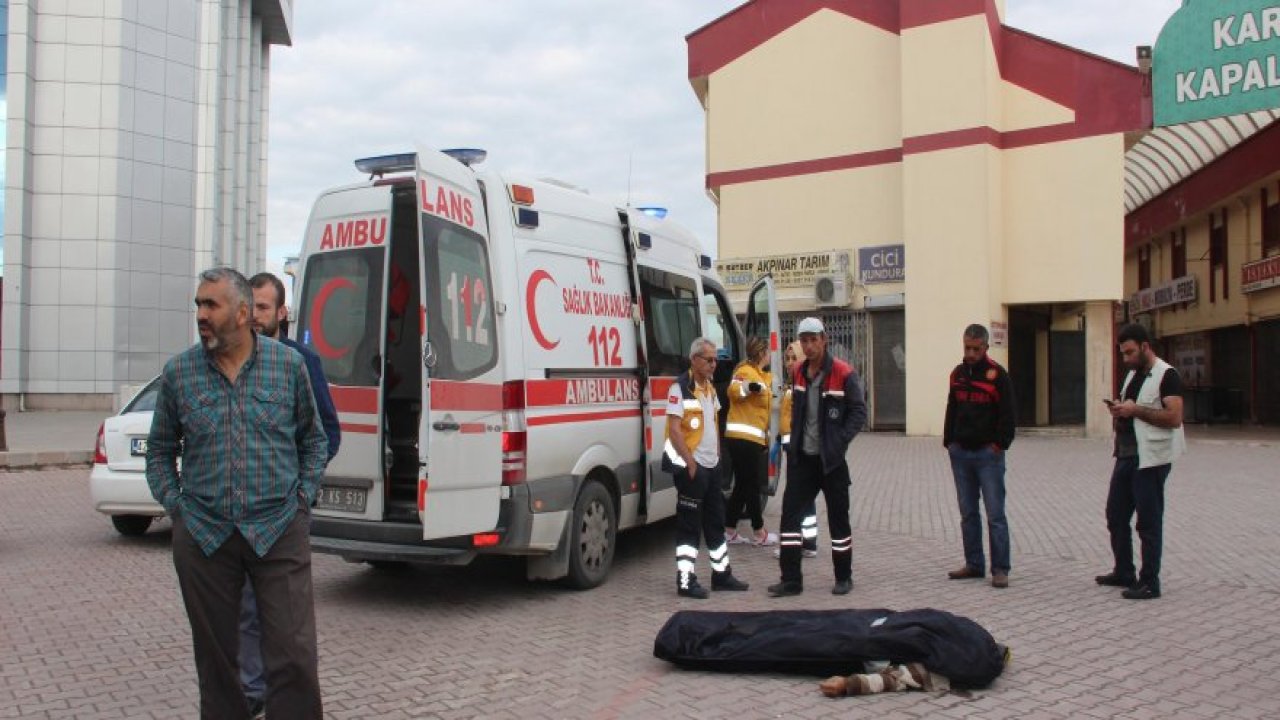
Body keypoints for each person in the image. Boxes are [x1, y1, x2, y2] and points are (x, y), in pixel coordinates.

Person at [147, 267, 328, 719]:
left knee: (294, 655)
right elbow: (159, 451)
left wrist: (302, 499)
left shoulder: (288, 367)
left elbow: (314, 440)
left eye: (212, 305)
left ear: (244, 312)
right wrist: (178, 508)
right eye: (199, 305)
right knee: (217, 662)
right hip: (206, 535)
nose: (202, 315)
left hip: (279, 528)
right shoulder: (179, 373)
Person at [239, 272, 342, 716]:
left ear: (281, 313)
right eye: (250, 307)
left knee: (286, 614)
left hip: (286, 513)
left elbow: (328, 432)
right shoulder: (231, 361)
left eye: (263, 307)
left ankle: (286, 695)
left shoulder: (302, 362)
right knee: (244, 608)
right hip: (238, 514)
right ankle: (250, 692)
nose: (255, 316)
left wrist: (303, 489)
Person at [768, 318, 866, 597]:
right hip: (803, 460)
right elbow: (796, 412)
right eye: (804, 341)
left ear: (824, 339)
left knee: (839, 520)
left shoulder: (844, 373)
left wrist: (839, 442)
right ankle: (791, 581)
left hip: (831, 462)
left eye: (814, 340)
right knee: (789, 520)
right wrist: (793, 445)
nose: (809, 346)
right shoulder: (798, 371)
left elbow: (858, 412)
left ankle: (844, 577)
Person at [1096, 323, 1185, 600]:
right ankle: (1124, 571)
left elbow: (1173, 418)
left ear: (1145, 347)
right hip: (1126, 455)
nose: (1126, 359)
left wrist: (1135, 410)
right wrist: (1120, 410)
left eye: (1130, 353)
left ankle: (1149, 581)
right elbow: (1131, 409)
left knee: (1148, 521)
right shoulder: (1132, 374)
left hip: (1151, 459)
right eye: (1123, 354)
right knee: (1115, 515)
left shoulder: (1167, 375)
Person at [664, 338, 750, 599]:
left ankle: (721, 574)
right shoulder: (680, 388)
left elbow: (712, 426)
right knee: (689, 527)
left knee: (715, 522)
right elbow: (674, 429)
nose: (714, 364)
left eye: (715, 360)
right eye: (709, 360)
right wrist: (690, 464)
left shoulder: (710, 388)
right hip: (692, 469)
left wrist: (717, 459)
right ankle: (686, 580)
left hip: (711, 467)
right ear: (694, 360)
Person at [942, 324, 1017, 589]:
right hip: (961, 453)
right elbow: (952, 408)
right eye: (967, 348)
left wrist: (999, 444)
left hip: (988, 455)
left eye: (976, 348)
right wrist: (949, 441)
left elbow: (1008, 415)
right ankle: (974, 564)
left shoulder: (998, 376)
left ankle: (1000, 569)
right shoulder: (957, 375)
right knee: (968, 513)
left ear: (985, 347)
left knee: (995, 514)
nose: (970, 353)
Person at [723, 337, 777, 547]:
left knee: (744, 485)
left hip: (750, 439)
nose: (770, 355)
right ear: (762, 353)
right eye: (768, 352)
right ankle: (759, 532)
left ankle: (729, 530)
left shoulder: (762, 375)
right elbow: (733, 390)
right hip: (743, 439)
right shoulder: (745, 372)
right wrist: (749, 387)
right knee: (752, 484)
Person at [774, 340, 819, 559]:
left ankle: (797, 543)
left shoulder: (803, 385)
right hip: (790, 445)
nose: (789, 363)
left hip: (798, 448)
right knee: (803, 495)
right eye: (787, 358)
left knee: (796, 496)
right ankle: (808, 542)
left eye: (794, 358)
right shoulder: (791, 384)